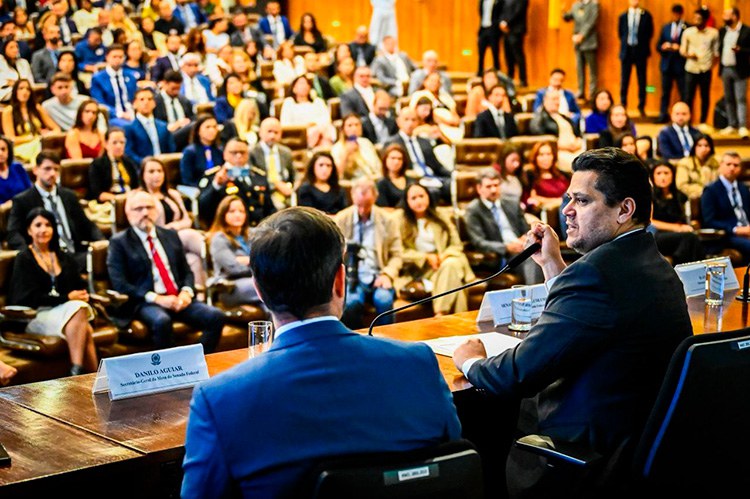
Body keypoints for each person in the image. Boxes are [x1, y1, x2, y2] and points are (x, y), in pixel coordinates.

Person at [453, 148, 693, 497]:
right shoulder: (654, 263)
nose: (566, 210)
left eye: (581, 200)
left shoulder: (596, 274)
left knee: (475, 426)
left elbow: (517, 374)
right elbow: (588, 316)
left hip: (582, 460)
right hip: (636, 450)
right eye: (569, 198)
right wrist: (553, 265)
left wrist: (470, 361)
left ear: (624, 209)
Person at [181, 205, 460, 497]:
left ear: (259, 290)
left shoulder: (218, 401)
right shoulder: (419, 364)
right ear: (339, 281)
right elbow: (455, 469)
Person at [107, 190, 225, 353]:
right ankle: (171, 368)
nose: (145, 213)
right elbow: (120, 284)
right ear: (128, 214)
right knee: (162, 321)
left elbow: (186, 271)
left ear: (156, 211)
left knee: (216, 316)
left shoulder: (170, 235)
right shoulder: (119, 242)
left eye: (149, 207)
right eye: (138, 209)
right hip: (145, 302)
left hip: (178, 298)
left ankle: (197, 361)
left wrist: (186, 292)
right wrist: (157, 298)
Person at [8, 207, 98, 376]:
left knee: (83, 322)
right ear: (29, 230)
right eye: (38, 225)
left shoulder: (63, 257)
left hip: (66, 312)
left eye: (48, 225)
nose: (43, 229)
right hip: (35, 315)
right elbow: (26, 298)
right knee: (80, 314)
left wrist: (82, 294)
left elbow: (79, 285)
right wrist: (67, 298)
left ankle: (85, 375)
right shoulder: (24, 258)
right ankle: (86, 375)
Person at [7, 151, 104, 271]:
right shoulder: (23, 200)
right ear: (36, 170)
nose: (52, 173)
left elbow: (87, 225)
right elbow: (13, 233)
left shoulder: (69, 196)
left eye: (56, 169)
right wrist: (31, 254)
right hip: (46, 258)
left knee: (109, 257)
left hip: (74, 255)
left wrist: (102, 242)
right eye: (47, 169)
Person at [395, 183, 475, 316]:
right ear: (407, 202)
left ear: (428, 197)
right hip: (422, 269)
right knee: (457, 282)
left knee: (450, 265)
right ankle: (461, 323)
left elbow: (457, 245)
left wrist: (444, 256)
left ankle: (440, 313)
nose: (419, 201)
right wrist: (425, 257)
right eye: (413, 198)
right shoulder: (400, 221)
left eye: (421, 196)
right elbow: (399, 252)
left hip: (446, 261)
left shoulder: (441, 215)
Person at [334, 177, 402, 329]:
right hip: (352, 277)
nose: (362, 211)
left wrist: (387, 274)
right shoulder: (341, 219)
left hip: (379, 274)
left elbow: (397, 255)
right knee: (351, 303)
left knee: (384, 300)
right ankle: (356, 340)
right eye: (359, 205)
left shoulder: (388, 220)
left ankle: (388, 339)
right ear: (352, 197)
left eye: (367, 205)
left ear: (375, 199)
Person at [463, 168, 542, 285]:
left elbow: (525, 229)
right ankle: (537, 295)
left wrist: (526, 238)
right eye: (489, 186)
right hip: (500, 256)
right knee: (531, 257)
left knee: (543, 251)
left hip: (521, 248)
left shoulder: (512, 203)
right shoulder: (473, 210)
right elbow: (479, 242)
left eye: (496, 185)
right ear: (479, 188)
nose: (493, 190)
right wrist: (507, 247)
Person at [198, 137, 276, 228]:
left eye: (242, 152)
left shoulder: (259, 176)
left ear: (248, 154)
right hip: (225, 228)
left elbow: (269, 208)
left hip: (257, 227)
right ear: (225, 154)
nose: (239, 156)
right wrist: (216, 185)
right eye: (234, 152)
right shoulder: (213, 176)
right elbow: (202, 207)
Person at [385, 107, 452, 204]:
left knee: (453, 184)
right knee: (432, 192)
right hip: (412, 180)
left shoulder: (424, 141)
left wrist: (454, 174)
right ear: (398, 121)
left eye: (413, 120)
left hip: (432, 177)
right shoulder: (392, 143)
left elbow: (438, 166)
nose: (410, 123)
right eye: (406, 119)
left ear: (418, 122)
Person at [207, 195, 264, 307]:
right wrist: (256, 262)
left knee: (272, 306)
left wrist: (248, 260)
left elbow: (267, 258)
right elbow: (234, 269)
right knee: (270, 287)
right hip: (230, 287)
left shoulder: (253, 233)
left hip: (255, 281)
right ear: (223, 214)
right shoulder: (219, 239)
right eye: (232, 211)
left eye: (241, 211)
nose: (237, 215)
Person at [650, 160, 705, 265]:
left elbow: (685, 218)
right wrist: (677, 228)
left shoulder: (680, 196)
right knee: (689, 238)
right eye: (658, 173)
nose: (663, 177)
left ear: (673, 175)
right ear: (653, 177)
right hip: (657, 234)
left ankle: (684, 266)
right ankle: (686, 266)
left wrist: (690, 225)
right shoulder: (650, 195)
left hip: (677, 234)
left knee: (692, 238)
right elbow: (650, 221)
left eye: (666, 173)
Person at [700, 151, 750, 262]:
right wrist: (736, 229)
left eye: (736, 165)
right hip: (728, 235)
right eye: (728, 164)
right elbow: (709, 221)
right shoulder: (711, 190)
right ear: (720, 166)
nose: (732, 168)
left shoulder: (743, 188)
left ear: (740, 168)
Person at [1, 78, 60, 163]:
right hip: (21, 146)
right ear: (15, 92)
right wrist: (30, 138)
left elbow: (56, 128)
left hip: (39, 142)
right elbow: (11, 139)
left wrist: (48, 134)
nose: (24, 92)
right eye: (21, 88)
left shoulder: (37, 108)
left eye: (28, 89)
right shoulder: (8, 111)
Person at [680, 7, 719, 132]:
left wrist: (711, 65)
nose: (696, 21)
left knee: (705, 96)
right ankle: (687, 123)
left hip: (705, 69)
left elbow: (716, 53)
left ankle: (703, 122)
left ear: (705, 20)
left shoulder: (713, 33)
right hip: (691, 68)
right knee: (688, 97)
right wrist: (688, 55)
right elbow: (682, 50)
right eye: (695, 18)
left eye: (699, 19)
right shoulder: (688, 32)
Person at [529, 91, 583, 172]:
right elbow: (541, 139)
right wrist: (563, 146)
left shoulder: (564, 117)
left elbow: (578, 134)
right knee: (578, 165)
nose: (557, 102)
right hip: (559, 152)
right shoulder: (539, 119)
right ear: (545, 100)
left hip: (576, 149)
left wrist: (578, 142)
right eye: (553, 99)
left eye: (558, 99)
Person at [279, 74, 336, 149]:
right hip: (301, 133)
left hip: (321, 131)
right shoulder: (289, 102)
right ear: (294, 88)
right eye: (301, 84)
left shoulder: (318, 101)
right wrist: (306, 126)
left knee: (324, 134)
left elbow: (327, 118)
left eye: (307, 84)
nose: (304, 86)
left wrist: (315, 124)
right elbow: (285, 124)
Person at [618, 0, 654, 116]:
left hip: (640, 52)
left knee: (642, 81)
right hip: (627, 51)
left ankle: (641, 106)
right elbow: (621, 33)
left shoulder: (646, 15)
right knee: (624, 80)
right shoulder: (623, 16)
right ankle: (623, 104)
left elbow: (650, 33)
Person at [718, 7, 750, 137]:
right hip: (725, 68)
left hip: (740, 70)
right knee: (728, 98)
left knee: (740, 98)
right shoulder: (722, 31)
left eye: (726, 15)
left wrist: (740, 50)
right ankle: (732, 124)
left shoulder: (746, 31)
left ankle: (742, 126)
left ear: (735, 16)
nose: (723, 17)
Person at [125, 88, 177, 167]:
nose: (146, 102)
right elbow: (129, 153)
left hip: (164, 167)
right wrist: (146, 164)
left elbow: (171, 149)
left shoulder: (163, 126)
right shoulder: (129, 128)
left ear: (154, 103)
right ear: (134, 104)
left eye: (149, 99)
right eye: (142, 99)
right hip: (141, 168)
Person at [90, 44, 137, 126]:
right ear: (107, 57)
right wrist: (119, 113)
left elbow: (135, 97)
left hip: (132, 113)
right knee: (128, 126)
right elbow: (99, 102)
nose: (117, 60)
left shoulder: (131, 76)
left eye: (120, 57)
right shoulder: (98, 78)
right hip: (112, 116)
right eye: (114, 57)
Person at [88, 127, 139, 202]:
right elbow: (97, 193)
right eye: (114, 143)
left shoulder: (129, 162)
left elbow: (137, 186)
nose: (119, 146)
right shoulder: (97, 164)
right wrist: (119, 198)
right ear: (106, 144)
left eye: (122, 142)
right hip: (110, 201)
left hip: (130, 199)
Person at [563, 0, 599, 101]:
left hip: (589, 41)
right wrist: (563, 12)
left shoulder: (594, 5)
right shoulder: (575, 5)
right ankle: (581, 91)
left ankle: (592, 93)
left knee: (592, 70)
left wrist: (581, 35)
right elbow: (569, 17)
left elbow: (591, 22)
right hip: (577, 43)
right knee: (579, 68)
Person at [656, 4, 688, 123]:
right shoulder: (666, 27)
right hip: (667, 65)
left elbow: (689, 47)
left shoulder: (687, 27)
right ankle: (663, 115)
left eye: (677, 14)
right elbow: (658, 45)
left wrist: (679, 48)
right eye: (674, 14)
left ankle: (683, 117)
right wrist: (663, 47)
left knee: (683, 93)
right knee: (665, 92)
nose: (675, 16)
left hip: (681, 65)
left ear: (681, 14)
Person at [524, 141, 570, 214]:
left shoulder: (563, 175)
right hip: (552, 212)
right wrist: (560, 201)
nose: (546, 158)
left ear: (553, 156)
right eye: (541, 155)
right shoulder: (530, 176)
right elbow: (533, 198)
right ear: (535, 158)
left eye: (548, 154)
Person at [153, 70, 195, 150]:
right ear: (165, 84)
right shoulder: (155, 102)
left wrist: (187, 121)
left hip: (186, 134)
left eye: (178, 89)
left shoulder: (184, 100)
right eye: (173, 88)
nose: (176, 91)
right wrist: (175, 125)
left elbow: (192, 117)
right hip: (166, 135)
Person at [296, 151, 349, 215]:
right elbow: (307, 215)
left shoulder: (339, 189)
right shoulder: (305, 189)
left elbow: (345, 212)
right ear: (313, 167)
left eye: (328, 166)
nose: (325, 169)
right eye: (321, 165)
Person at [331, 113, 380, 180]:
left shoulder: (366, 142)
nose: (354, 128)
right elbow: (337, 174)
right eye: (350, 125)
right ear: (343, 129)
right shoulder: (337, 148)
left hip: (375, 178)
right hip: (354, 182)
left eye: (357, 125)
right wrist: (346, 153)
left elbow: (378, 165)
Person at [180, 114, 223, 188]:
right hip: (197, 188)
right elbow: (187, 180)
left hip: (217, 187)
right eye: (207, 127)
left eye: (214, 127)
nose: (212, 130)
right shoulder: (190, 152)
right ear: (198, 131)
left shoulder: (219, 150)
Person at [676, 133, 719, 200]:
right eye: (699, 145)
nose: (703, 149)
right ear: (694, 147)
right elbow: (682, 185)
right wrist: (703, 191)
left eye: (706, 146)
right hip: (692, 197)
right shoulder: (684, 163)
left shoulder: (716, 163)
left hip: (714, 196)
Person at [500, 0, 529, 87]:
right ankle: (510, 78)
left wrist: (507, 22)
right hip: (506, 31)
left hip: (516, 30)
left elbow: (518, 12)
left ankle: (523, 80)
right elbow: (502, 11)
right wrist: (502, 21)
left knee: (518, 55)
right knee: (508, 55)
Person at [376, 143, 413, 208]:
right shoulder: (381, 184)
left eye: (400, 159)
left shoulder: (411, 181)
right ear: (385, 160)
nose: (396, 162)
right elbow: (384, 209)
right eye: (393, 158)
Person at [0, 37, 34, 102]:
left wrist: (15, 83)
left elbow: (30, 81)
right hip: (6, 94)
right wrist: (8, 83)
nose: (15, 50)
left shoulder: (23, 62)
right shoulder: (1, 62)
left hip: (25, 92)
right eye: (11, 47)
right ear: (4, 49)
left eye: (17, 47)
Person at [0, 135, 30, 205]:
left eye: (3, 149)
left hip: (26, 206)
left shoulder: (17, 167)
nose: (0, 153)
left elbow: (30, 190)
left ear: (9, 151)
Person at [476, 0, 501, 76]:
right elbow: (481, 13)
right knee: (481, 53)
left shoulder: (498, 1)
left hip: (493, 29)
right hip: (483, 29)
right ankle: (480, 72)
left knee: (495, 53)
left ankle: (497, 73)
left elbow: (500, 14)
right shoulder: (482, 1)